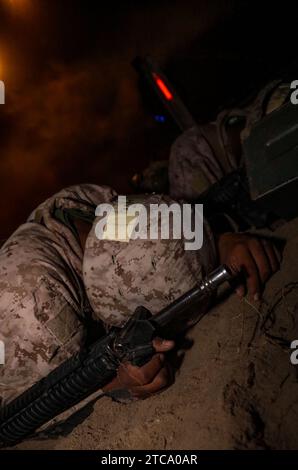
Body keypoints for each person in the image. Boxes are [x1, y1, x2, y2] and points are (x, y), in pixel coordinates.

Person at [0, 175, 280, 408]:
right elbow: (21, 416)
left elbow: (160, 236)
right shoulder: (33, 317)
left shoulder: (90, 203)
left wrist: (218, 241)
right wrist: (111, 384)